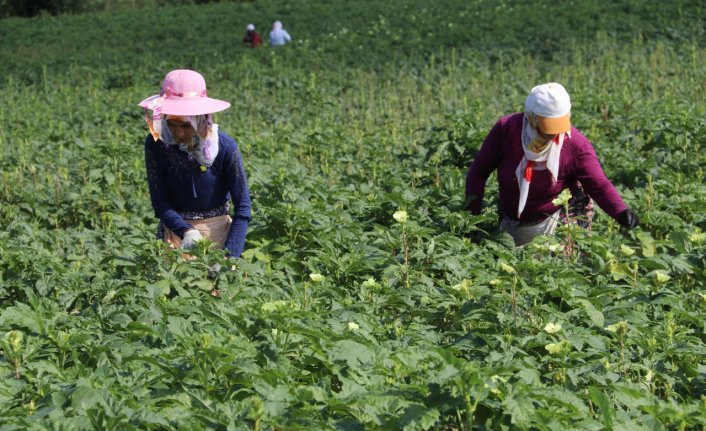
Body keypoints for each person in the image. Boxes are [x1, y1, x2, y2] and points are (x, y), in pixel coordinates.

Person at [465, 82, 639, 246]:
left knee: (559, 271)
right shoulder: (507, 131)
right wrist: (471, 220)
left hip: (559, 218)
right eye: (548, 127)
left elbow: (598, 184)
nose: (555, 134)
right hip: (513, 218)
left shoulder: (575, 145)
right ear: (531, 118)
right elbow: (478, 172)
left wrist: (621, 211)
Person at [138, 69, 251, 258]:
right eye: (171, 124)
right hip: (175, 233)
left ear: (201, 118)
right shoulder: (156, 144)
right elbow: (159, 201)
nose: (178, 133)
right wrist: (186, 231)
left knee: (217, 286)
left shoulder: (225, 147)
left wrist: (229, 256)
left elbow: (243, 208)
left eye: (185, 126)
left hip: (219, 234)